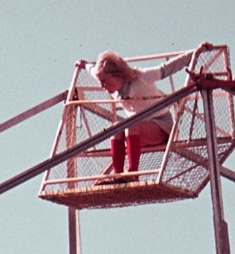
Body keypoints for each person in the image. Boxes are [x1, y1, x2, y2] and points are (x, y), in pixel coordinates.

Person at [90, 42, 212, 181]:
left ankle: (133, 174)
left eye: (104, 81)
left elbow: (170, 67)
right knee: (116, 128)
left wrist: (197, 52)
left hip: (160, 126)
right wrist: (84, 65)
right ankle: (118, 175)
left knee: (130, 124)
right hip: (138, 130)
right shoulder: (112, 89)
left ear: (117, 75)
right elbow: (93, 71)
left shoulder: (142, 77)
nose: (102, 86)